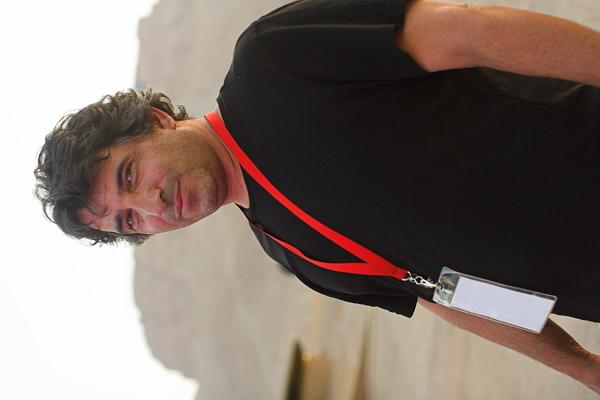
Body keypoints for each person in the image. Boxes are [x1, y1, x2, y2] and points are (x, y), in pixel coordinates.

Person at [35, 0, 600, 393]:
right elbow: (447, 293)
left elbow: (465, 32)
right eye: (130, 221)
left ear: (157, 121)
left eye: (130, 176)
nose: (152, 205)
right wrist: (581, 366)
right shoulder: (290, 253)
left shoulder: (271, 61)